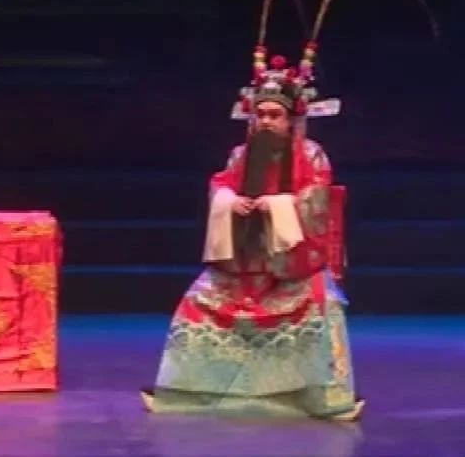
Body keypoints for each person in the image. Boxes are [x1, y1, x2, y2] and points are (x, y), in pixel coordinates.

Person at [140, 39, 364, 421]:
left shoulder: (311, 155)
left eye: (275, 115)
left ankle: (318, 400)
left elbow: (316, 199)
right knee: (196, 302)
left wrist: (278, 205)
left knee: (323, 304)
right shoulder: (241, 155)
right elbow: (220, 184)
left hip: (291, 264)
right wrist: (230, 202)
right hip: (244, 258)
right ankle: (188, 396)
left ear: (291, 119)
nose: (266, 122)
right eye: (260, 114)